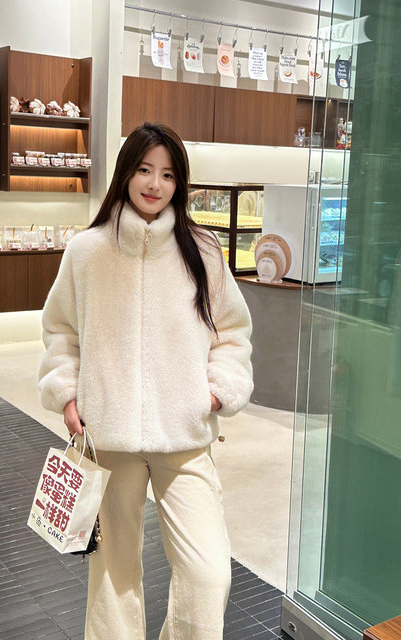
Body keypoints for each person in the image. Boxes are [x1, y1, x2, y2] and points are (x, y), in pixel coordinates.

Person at [38, 122, 253, 640]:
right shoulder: (86, 251)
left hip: (184, 437)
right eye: (144, 170)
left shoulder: (202, 251)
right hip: (108, 438)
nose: (155, 184)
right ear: (125, 173)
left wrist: (214, 392)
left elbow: (232, 332)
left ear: (180, 182)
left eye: (168, 174)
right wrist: (67, 395)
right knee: (112, 578)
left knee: (208, 574)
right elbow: (61, 329)